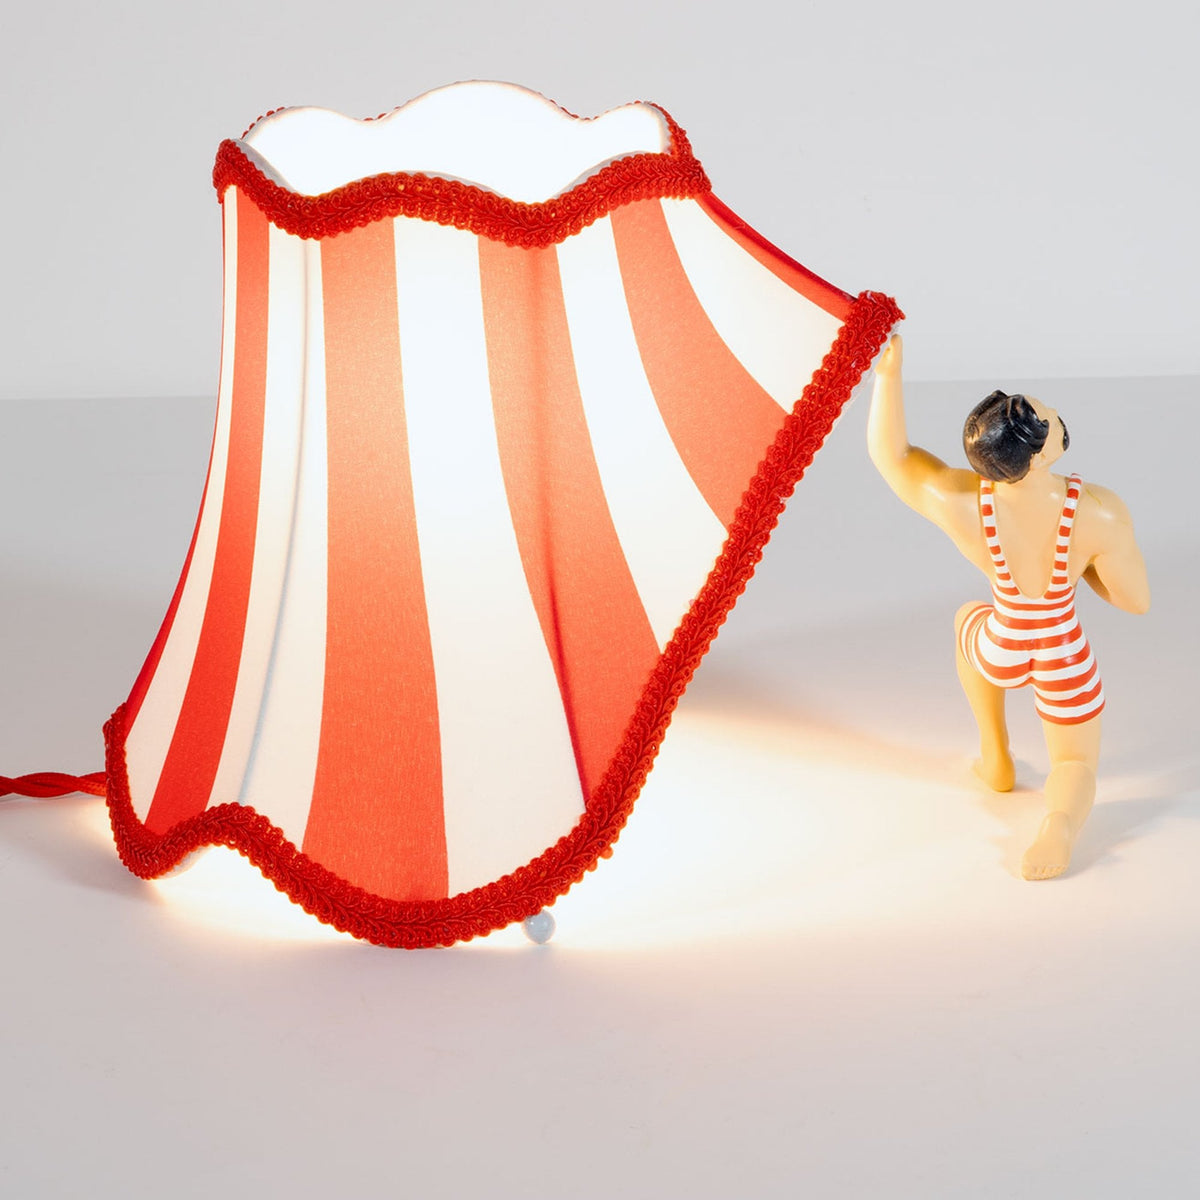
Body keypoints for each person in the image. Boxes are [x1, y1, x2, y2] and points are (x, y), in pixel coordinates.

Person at [867, 335, 1149, 879]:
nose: (1059, 418)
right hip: (1064, 652)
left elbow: (893, 456)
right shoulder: (1099, 512)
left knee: (964, 622)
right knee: (1074, 761)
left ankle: (994, 754)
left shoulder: (964, 500)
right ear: (1041, 453)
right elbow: (1135, 601)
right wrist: (1086, 565)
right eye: (1052, 418)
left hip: (1003, 641)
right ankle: (1059, 824)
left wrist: (887, 375)